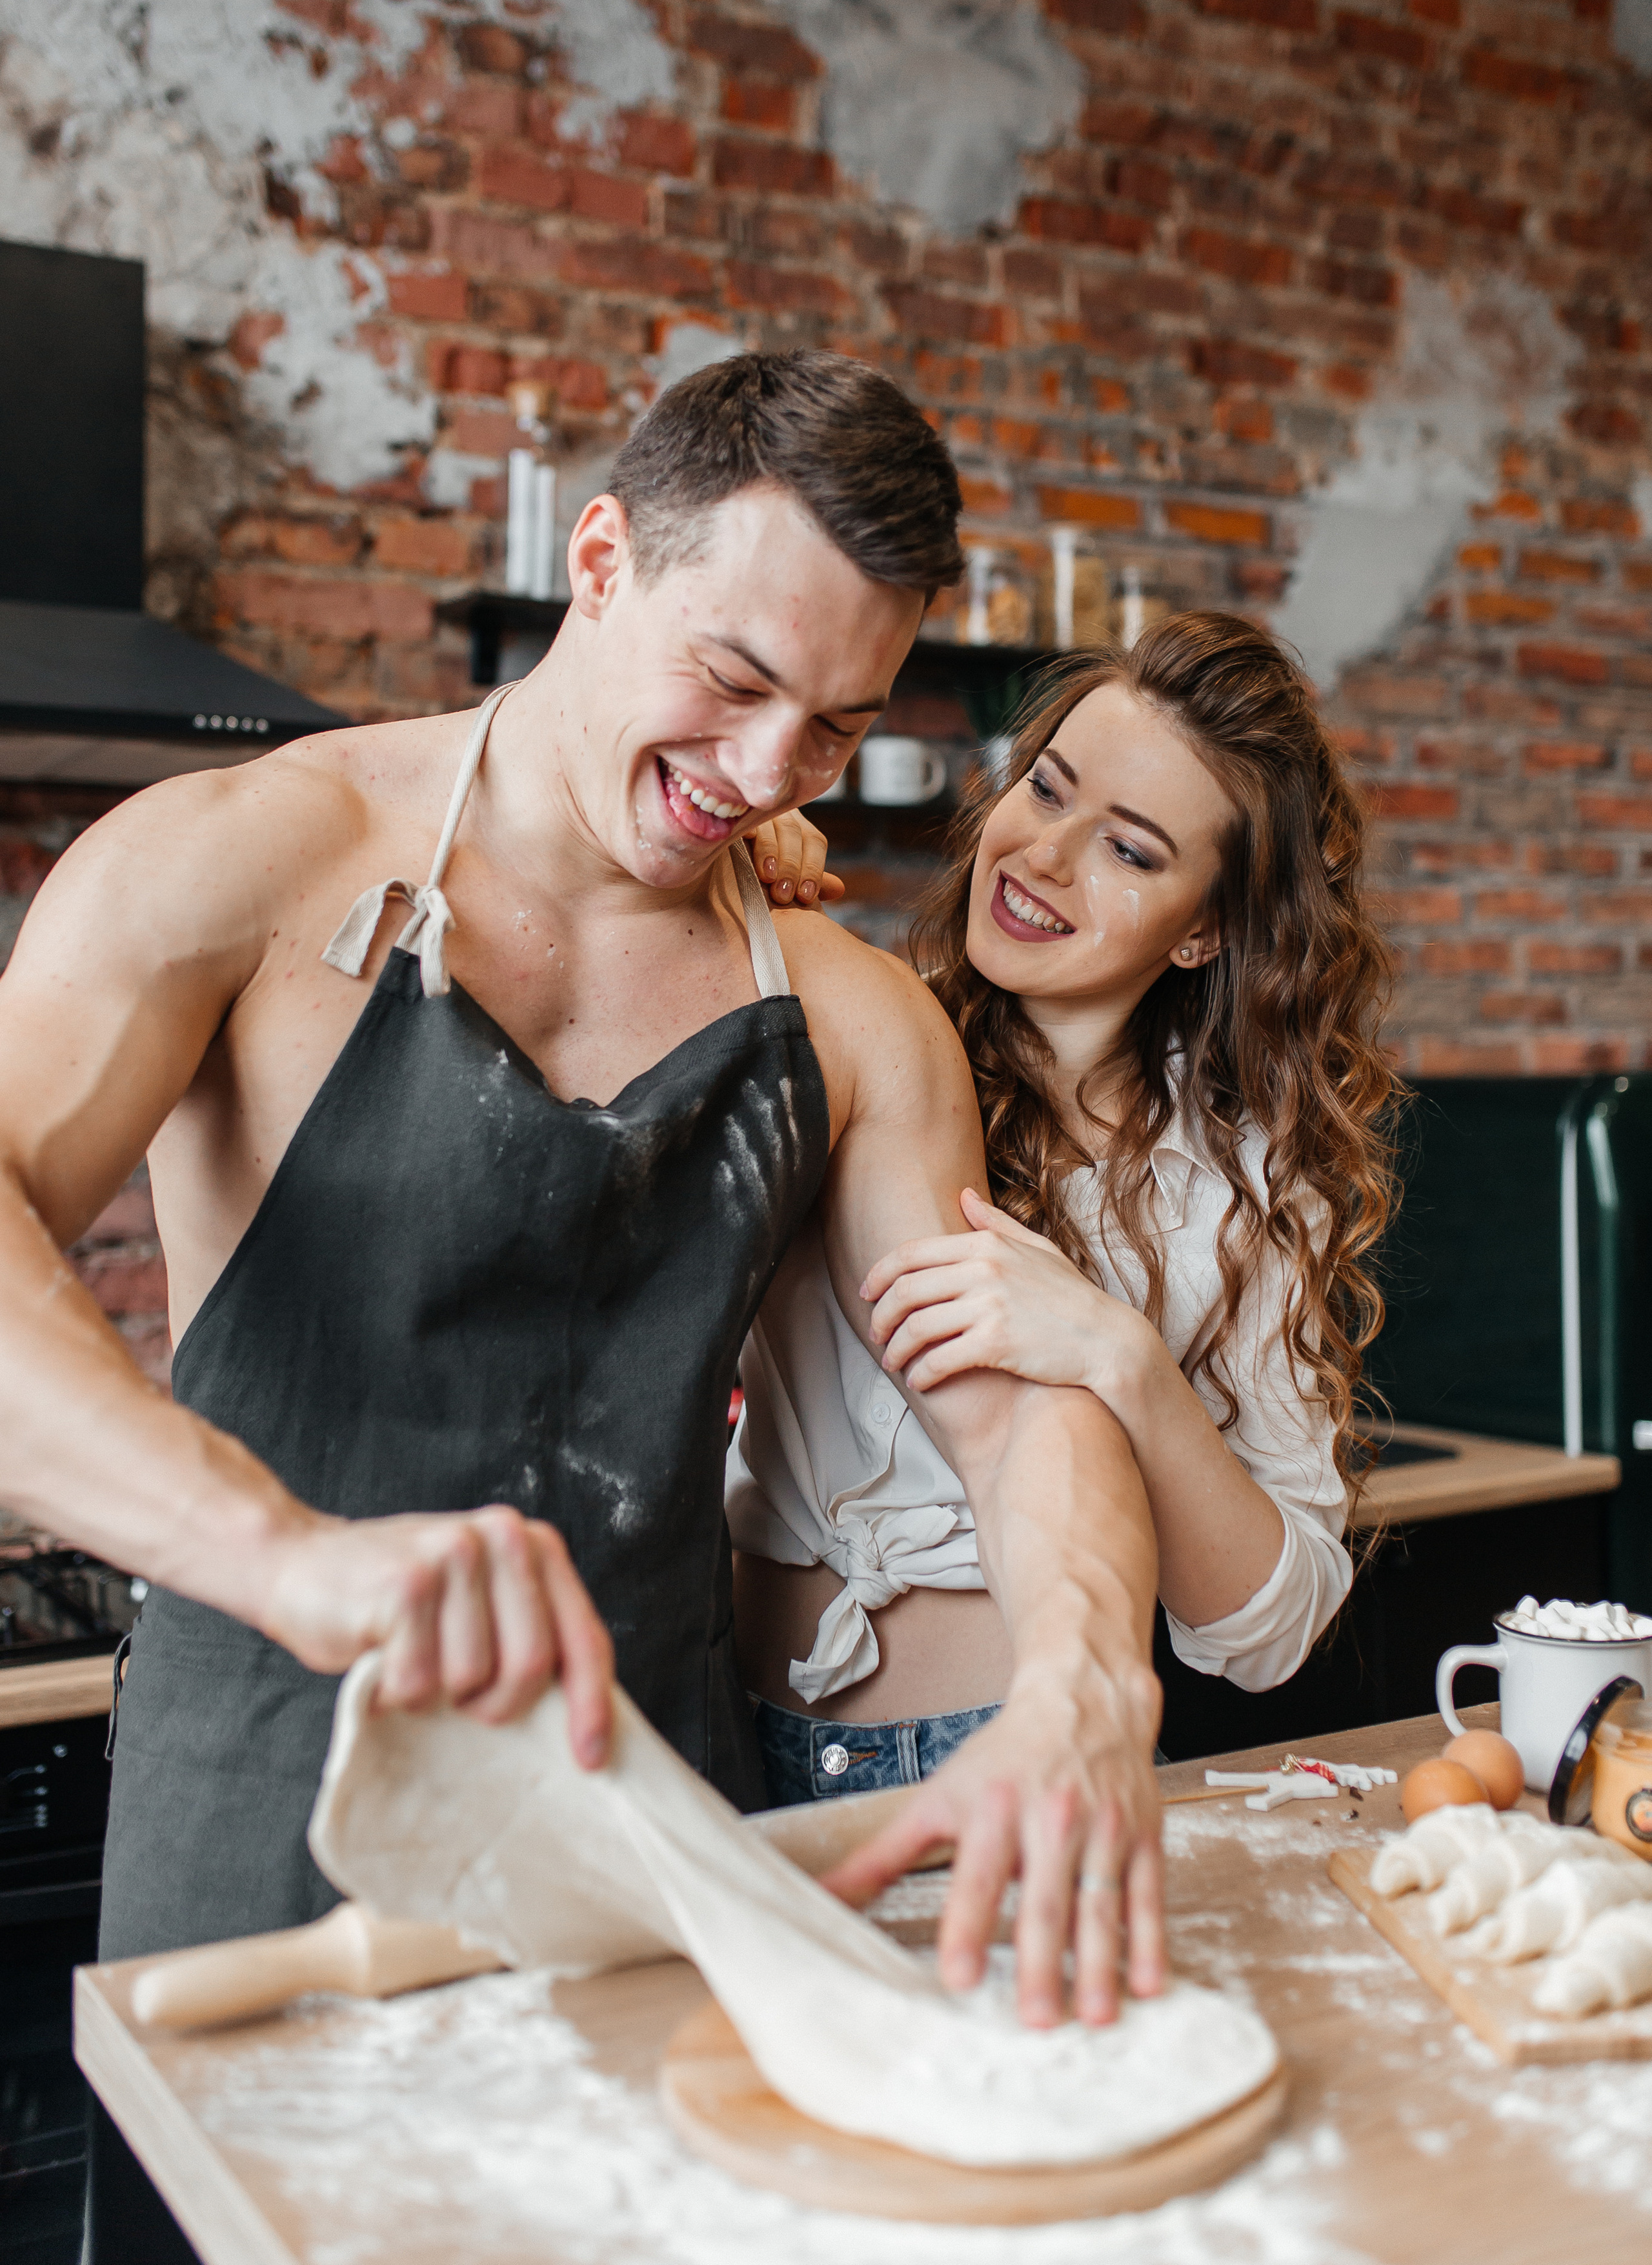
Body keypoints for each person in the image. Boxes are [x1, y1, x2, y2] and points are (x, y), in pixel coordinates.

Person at [0, 353, 1165, 2049]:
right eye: (736, 678)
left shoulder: (848, 1016)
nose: (771, 771)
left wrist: (1088, 1675)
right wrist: (287, 1558)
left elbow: (1009, 1408)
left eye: (837, 725)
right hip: (262, 1799)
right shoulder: (241, 862)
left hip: (655, 1836)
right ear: (602, 560)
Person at [729, 613, 1400, 1805]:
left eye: (1130, 852)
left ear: (1206, 930)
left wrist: (1121, 1358)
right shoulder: (846, 1031)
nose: (1041, 856)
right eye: (1046, 790)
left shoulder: (1239, 1196)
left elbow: (1272, 1628)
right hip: (717, 1728)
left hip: (996, 1756)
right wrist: (724, 876)